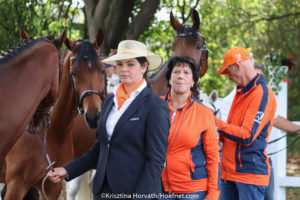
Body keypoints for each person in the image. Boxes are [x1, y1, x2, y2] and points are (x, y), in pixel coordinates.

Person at [47, 40, 170, 200]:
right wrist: (67, 170)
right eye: (120, 64)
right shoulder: (108, 103)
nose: (124, 69)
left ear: (144, 66)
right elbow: (99, 149)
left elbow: (156, 161)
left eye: (130, 64)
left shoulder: (155, 106)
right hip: (102, 192)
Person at [215, 47, 277, 200]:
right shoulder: (240, 92)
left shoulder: (262, 94)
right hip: (229, 174)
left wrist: (213, 122)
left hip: (249, 176)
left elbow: (246, 135)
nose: (228, 77)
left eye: (228, 72)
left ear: (238, 66)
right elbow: (229, 132)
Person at [160, 56, 221, 200]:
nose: (181, 76)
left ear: (193, 81)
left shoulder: (204, 113)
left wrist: (213, 193)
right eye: (176, 72)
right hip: (159, 189)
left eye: (186, 73)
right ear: (169, 79)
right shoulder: (155, 106)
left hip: (193, 191)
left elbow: (213, 156)